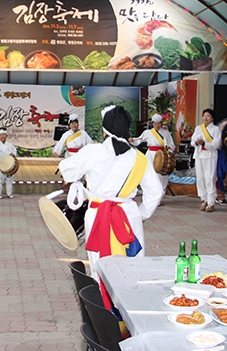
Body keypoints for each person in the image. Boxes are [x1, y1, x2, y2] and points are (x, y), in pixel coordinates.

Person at [59, 105, 163, 289]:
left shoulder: (92, 151)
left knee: (100, 265)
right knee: (131, 265)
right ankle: (128, 309)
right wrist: (141, 214)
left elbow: (67, 171)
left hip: (98, 213)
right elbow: (155, 192)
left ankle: (104, 311)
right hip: (128, 216)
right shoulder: (140, 158)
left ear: (104, 130)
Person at [130, 114, 175, 192]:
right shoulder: (147, 132)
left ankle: (160, 192)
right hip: (150, 154)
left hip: (161, 155)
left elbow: (171, 144)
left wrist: (169, 147)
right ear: (152, 123)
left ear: (161, 123)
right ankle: (151, 192)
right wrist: (132, 140)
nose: (157, 125)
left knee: (161, 175)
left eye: (159, 123)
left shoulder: (165, 132)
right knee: (150, 173)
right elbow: (139, 140)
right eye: (155, 123)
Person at [190, 108, 221, 212]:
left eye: (208, 116)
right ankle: (203, 199)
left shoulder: (215, 129)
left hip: (210, 155)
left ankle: (211, 201)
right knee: (200, 178)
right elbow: (192, 141)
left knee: (209, 178)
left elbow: (216, 144)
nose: (205, 118)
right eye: (204, 116)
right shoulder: (199, 128)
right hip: (199, 155)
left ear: (212, 118)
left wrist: (204, 143)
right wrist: (196, 142)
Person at [0, 128, 17, 199]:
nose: (2, 136)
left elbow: (14, 151)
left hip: (9, 165)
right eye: (0, 135)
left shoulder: (10, 145)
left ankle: (9, 193)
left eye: (4, 135)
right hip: (0, 165)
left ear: (6, 136)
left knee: (9, 180)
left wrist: (13, 154)